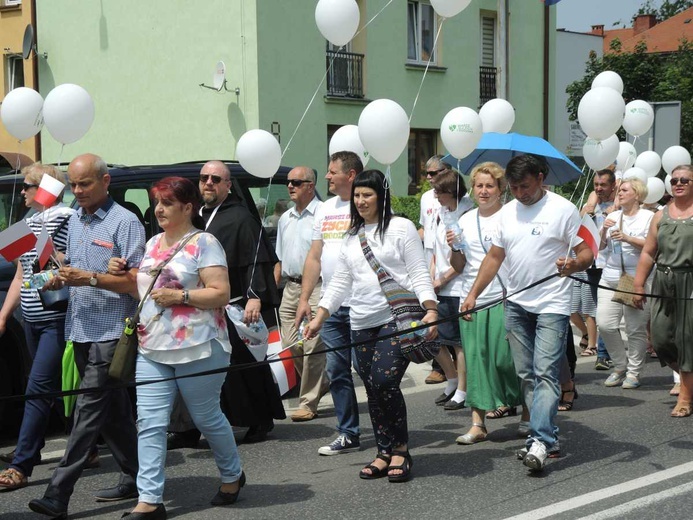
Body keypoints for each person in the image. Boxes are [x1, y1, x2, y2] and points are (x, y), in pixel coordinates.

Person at [108, 176, 244, 518]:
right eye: (157, 202)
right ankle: (149, 500)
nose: (159, 209)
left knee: (206, 417)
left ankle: (232, 475)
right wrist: (122, 273)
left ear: (188, 207)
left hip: (199, 346)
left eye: (167, 203)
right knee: (151, 423)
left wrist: (180, 295)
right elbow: (143, 290)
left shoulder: (204, 242)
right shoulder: (153, 243)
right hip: (152, 347)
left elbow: (220, 293)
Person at [28, 154, 145, 518]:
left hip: (113, 332)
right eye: (73, 185)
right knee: (114, 415)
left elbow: (135, 283)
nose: (77, 191)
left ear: (105, 181)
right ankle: (141, 477)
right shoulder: (75, 220)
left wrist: (90, 278)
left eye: (84, 184)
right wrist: (58, 273)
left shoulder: (125, 222)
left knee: (88, 410)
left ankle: (57, 493)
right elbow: (72, 270)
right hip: (79, 328)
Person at [461, 154, 593, 473]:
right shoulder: (507, 213)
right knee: (526, 374)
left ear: (540, 177)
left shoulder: (563, 210)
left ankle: (540, 439)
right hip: (517, 304)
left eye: (525, 186)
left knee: (545, 371)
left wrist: (574, 264)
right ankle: (547, 437)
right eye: (515, 187)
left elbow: (586, 252)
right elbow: (494, 256)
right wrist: (473, 294)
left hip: (552, 305)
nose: (520, 193)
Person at [304, 169, 438, 482]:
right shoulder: (351, 236)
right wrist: (320, 316)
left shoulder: (401, 228)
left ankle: (401, 450)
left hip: (396, 318)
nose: (361, 201)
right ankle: (383, 452)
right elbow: (339, 282)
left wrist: (431, 310)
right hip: (360, 321)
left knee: (384, 381)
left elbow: (419, 273)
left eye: (368, 194)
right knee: (373, 390)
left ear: (381, 195)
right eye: (358, 195)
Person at [0, 164, 75, 491]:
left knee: (39, 387)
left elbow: (65, 266)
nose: (23, 191)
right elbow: (21, 274)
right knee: (56, 387)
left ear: (45, 188)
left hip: (55, 317)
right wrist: (4, 315)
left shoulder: (63, 217)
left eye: (29, 186)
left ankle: (22, 464)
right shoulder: (29, 223)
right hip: (31, 319)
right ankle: (83, 445)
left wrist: (38, 229)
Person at [200, 161, 285, 441]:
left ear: (227, 185)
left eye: (215, 179)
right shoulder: (197, 216)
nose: (208, 183)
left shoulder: (240, 218)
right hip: (201, 305)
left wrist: (254, 297)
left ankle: (260, 420)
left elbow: (256, 260)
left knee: (244, 365)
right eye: (204, 178)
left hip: (234, 303)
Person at [448, 162, 522, 444]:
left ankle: (526, 411)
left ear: (501, 189)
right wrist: (454, 246)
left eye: (490, 185)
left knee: (506, 361)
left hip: (505, 298)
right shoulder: (465, 220)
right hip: (470, 299)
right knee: (476, 362)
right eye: (479, 185)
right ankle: (478, 423)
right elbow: (459, 264)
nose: (483, 190)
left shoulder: (512, 217)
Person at [296, 151, 363, 456]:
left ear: (350, 175)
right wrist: (305, 299)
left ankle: (389, 428)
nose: (327, 177)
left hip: (364, 305)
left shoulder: (366, 204)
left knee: (371, 372)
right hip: (331, 305)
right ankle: (348, 432)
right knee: (337, 371)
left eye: (332, 172)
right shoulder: (324, 209)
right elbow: (314, 256)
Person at [634, 164, 693, 417]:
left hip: (690, 282)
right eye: (674, 180)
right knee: (660, 339)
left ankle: (686, 396)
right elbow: (648, 252)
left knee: (687, 340)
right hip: (663, 280)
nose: (678, 183)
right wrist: (638, 285)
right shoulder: (660, 215)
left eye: (685, 180)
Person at [274, 167, 328, 421]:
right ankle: (321, 382)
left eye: (296, 182)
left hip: (317, 285)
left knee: (312, 344)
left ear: (310, 185)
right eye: (288, 182)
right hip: (291, 287)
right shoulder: (285, 218)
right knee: (289, 343)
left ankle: (308, 401)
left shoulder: (323, 215)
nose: (290, 186)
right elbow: (280, 258)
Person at [598, 178, 653, 389]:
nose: (619, 193)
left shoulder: (648, 217)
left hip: (636, 278)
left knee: (634, 329)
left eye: (624, 190)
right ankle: (620, 366)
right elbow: (602, 247)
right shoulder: (613, 215)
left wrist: (628, 238)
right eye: (619, 190)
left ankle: (634, 372)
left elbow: (652, 246)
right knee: (605, 324)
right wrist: (603, 229)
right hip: (610, 277)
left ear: (637, 194)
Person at [429, 168, 474, 410]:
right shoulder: (441, 213)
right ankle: (451, 379)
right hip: (440, 284)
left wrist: (442, 280)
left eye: (439, 191)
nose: (435, 195)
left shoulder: (466, 214)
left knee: (458, 343)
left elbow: (463, 258)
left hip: (457, 286)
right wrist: (431, 278)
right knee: (434, 339)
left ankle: (463, 390)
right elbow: (436, 250)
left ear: (452, 191)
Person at [419, 155, 452, 385]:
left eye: (434, 173)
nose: (429, 178)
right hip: (429, 260)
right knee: (433, 314)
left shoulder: (458, 198)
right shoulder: (425, 198)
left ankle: (447, 367)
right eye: (427, 173)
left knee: (448, 317)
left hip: (448, 261)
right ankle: (440, 365)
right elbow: (424, 229)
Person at [581, 169, 618, 369]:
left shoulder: (619, 207)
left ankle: (607, 352)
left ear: (613, 186)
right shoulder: (590, 207)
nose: (599, 188)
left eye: (603, 184)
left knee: (609, 312)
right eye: (596, 184)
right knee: (601, 311)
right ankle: (605, 353)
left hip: (613, 265)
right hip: (594, 266)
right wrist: (585, 213)